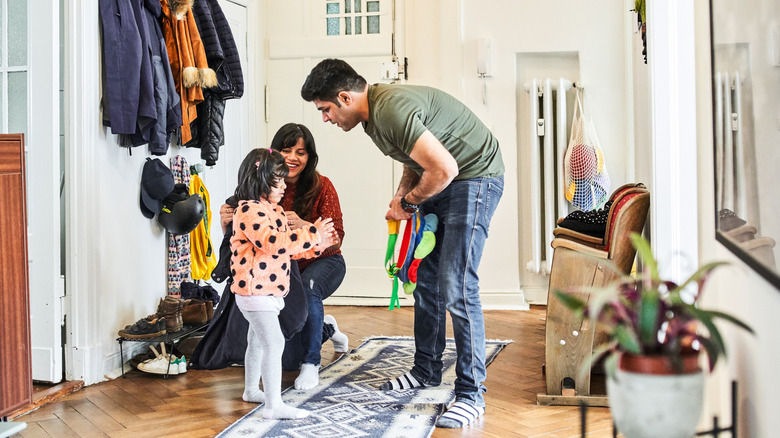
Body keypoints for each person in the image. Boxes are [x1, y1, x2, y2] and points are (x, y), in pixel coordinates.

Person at [300, 59, 505, 429]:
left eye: (326, 110)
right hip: (447, 179)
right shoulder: (372, 117)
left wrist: (410, 203)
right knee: (426, 283)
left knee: (457, 287)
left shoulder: (390, 108)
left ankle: (471, 395)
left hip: (474, 178)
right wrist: (402, 198)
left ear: (345, 97)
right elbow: (415, 159)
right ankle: (426, 371)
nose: (326, 119)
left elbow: (443, 168)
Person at [220, 123, 348, 391]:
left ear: (309, 157)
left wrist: (305, 225)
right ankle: (325, 327)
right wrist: (227, 226)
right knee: (285, 358)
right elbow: (245, 241)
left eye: (300, 152)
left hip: (323, 261)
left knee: (309, 291)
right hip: (279, 271)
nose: (292, 157)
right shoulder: (258, 192)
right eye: (286, 150)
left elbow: (334, 238)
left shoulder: (322, 186)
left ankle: (311, 363)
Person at [229, 147, 336, 420]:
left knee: (257, 341)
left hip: (268, 291)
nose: (283, 185)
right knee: (274, 343)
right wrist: (311, 232)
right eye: (277, 180)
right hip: (254, 291)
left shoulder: (273, 211)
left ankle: (251, 390)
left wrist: (317, 244)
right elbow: (273, 243)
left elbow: (289, 250)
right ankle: (273, 406)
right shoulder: (249, 211)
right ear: (260, 181)